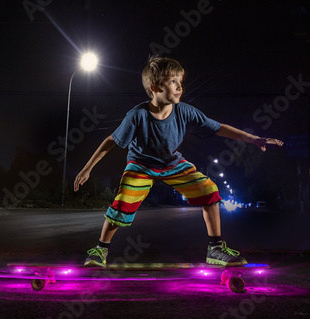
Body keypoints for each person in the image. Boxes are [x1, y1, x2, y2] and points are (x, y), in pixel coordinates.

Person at [74, 56, 284, 267]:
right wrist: (87, 169)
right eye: (173, 82)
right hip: (141, 166)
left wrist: (254, 139)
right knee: (123, 203)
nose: (179, 87)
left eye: (180, 82)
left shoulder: (185, 111)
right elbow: (111, 141)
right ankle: (100, 250)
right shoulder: (137, 115)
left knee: (209, 190)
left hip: (172, 164)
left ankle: (216, 249)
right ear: (155, 87)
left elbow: (218, 127)